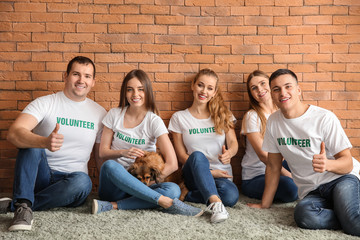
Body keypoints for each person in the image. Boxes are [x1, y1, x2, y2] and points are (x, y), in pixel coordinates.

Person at [248, 69, 360, 236]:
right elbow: (272, 166)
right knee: (304, 216)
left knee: (353, 224)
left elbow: (347, 163)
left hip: (340, 179)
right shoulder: (273, 122)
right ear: (272, 94)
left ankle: (348, 216)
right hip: (311, 191)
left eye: (288, 87)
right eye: (276, 89)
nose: (283, 93)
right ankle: (344, 214)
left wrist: (327, 164)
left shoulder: (324, 118)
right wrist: (265, 204)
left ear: (298, 90)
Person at [2, 56, 107, 231]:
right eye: (76, 74)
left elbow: (99, 154)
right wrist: (43, 141)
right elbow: (14, 134)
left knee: (84, 182)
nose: (81, 80)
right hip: (40, 177)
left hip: (72, 184)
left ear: (93, 82)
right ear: (65, 76)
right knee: (31, 144)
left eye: (87, 76)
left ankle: (20, 205)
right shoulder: (46, 103)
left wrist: (104, 189)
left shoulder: (100, 113)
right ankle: (24, 204)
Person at [92, 69, 202, 216]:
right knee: (109, 165)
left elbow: (173, 164)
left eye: (140, 89)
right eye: (130, 89)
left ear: (147, 92)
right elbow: (102, 152)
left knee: (173, 189)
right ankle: (165, 202)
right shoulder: (114, 114)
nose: (135, 94)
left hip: (144, 186)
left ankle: (112, 206)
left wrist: (149, 184)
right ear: (125, 92)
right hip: (116, 185)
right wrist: (123, 152)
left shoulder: (153, 120)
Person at [168, 68, 239, 223]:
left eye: (209, 88)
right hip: (193, 173)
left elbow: (233, 143)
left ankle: (186, 194)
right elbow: (181, 156)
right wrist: (211, 173)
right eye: (200, 85)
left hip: (223, 176)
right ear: (193, 86)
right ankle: (215, 204)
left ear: (214, 92)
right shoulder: (179, 118)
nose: (204, 91)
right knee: (197, 155)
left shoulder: (223, 114)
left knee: (231, 196)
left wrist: (230, 153)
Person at [241, 70, 298, 202]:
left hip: (282, 165)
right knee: (292, 189)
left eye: (263, 83)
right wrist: (291, 176)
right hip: (256, 176)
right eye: (254, 88)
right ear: (251, 94)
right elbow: (263, 156)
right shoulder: (252, 116)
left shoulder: (283, 113)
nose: (260, 89)